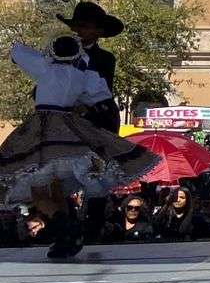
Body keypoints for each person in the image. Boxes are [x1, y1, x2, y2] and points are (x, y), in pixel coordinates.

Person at [1, 37, 158, 257]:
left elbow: (19, 54)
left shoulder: (45, 67)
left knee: (38, 189)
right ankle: (65, 237)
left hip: (42, 128)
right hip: (70, 127)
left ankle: (66, 228)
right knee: (55, 187)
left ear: (53, 52)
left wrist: (17, 48)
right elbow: (101, 96)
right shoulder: (84, 75)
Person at [58, 1, 123, 132]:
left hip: (92, 119)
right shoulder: (59, 51)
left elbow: (103, 94)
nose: (77, 31)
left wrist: (85, 110)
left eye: (84, 27)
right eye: (75, 26)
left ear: (98, 32)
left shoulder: (105, 58)